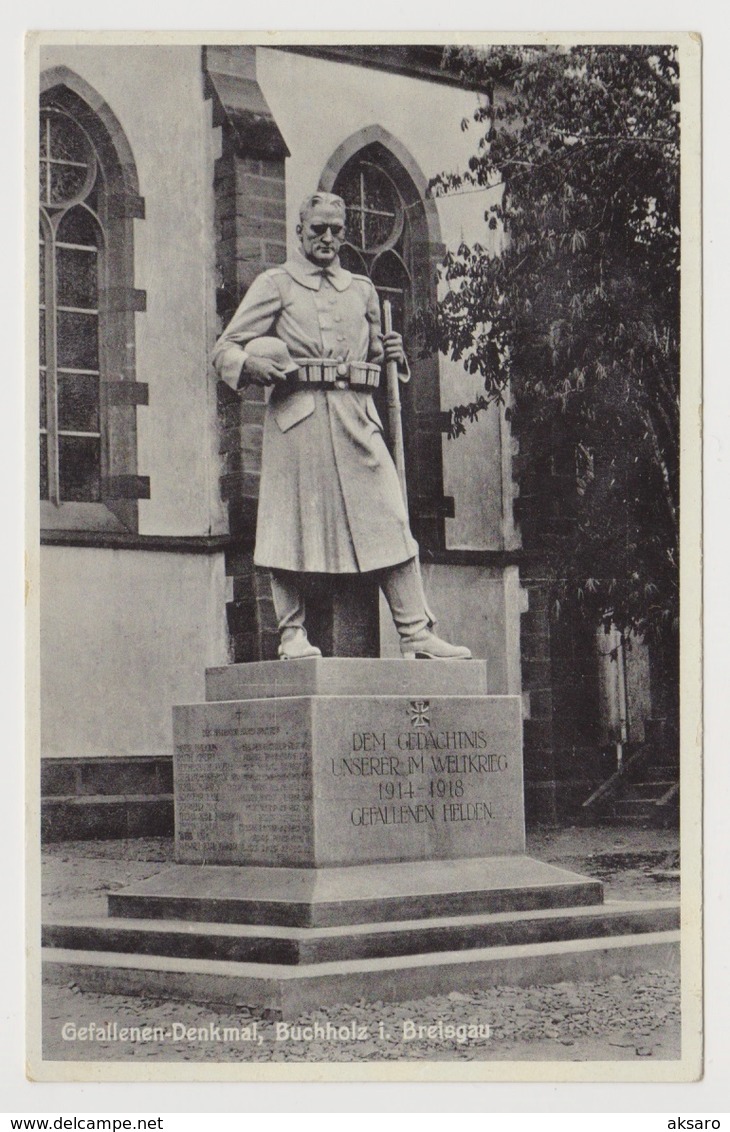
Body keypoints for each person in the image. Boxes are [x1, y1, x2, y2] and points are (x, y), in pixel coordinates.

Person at [212, 191, 472, 662]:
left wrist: (390, 354)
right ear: (299, 232)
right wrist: (250, 363)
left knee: (390, 516)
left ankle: (415, 632)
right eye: (317, 229)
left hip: (356, 416)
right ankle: (290, 634)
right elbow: (224, 348)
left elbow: (372, 356)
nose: (327, 238)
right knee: (289, 525)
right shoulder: (277, 284)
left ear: (344, 233)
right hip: (300, 416)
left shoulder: (361, 290)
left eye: (335, 230)